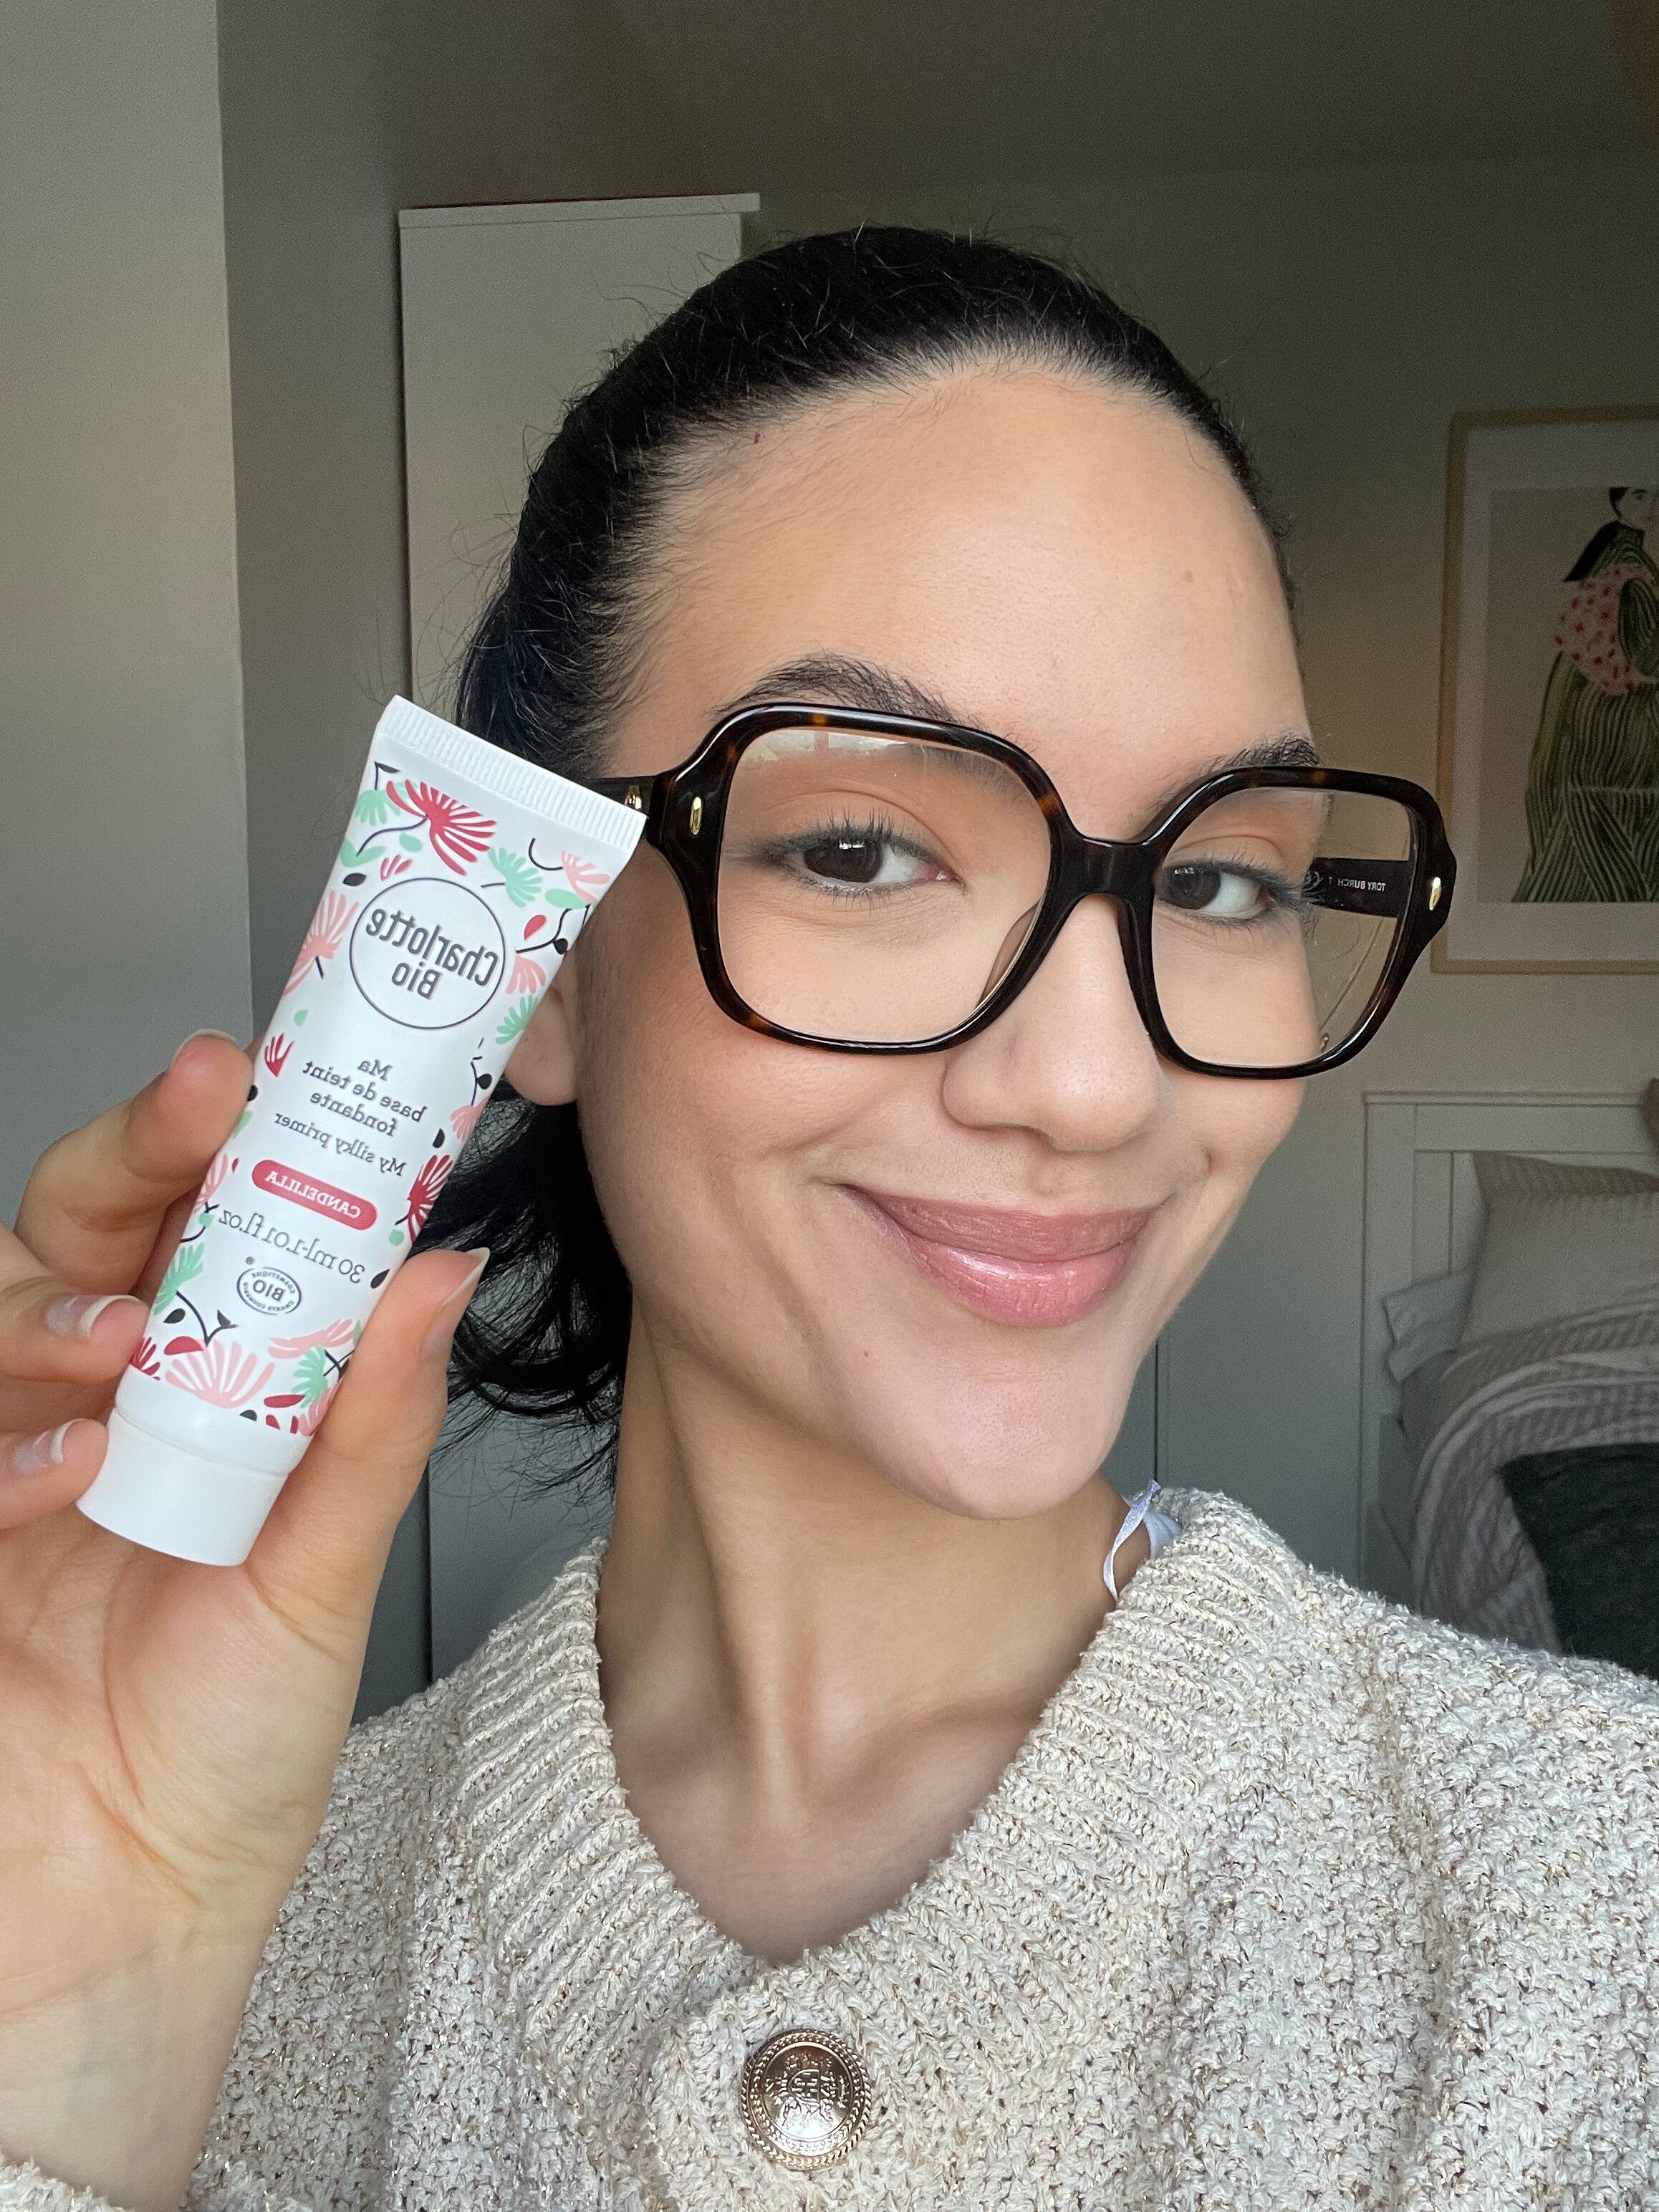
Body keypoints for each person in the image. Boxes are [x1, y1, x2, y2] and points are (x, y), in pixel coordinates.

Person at [1, 229, 1653, 2212]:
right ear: (544, 961)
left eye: (1218, 882)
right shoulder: (210, 1912)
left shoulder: (1596, 1915)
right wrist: (72, 2059)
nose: (1091, 1086)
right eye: (860, 850)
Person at [1514, 484, 1659, 903]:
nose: (1652, 506)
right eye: (1640, 495)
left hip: (1592, 709)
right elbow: (1645, 653)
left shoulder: (1615, 554)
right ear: (1618, 501)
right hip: (1612, 718)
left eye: (1656, 496)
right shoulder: (1627, 566)